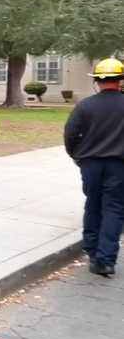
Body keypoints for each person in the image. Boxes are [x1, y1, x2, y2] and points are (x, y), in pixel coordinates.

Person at [64, 57, 124, 277]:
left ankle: (91, 250)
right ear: (121, 80)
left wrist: (75, 154)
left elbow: (71, 132)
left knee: (93, 204)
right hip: (119, 165)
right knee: (114, 209)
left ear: (98, 80)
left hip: (90, 164)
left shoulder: (85, 105)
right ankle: (106, 260)